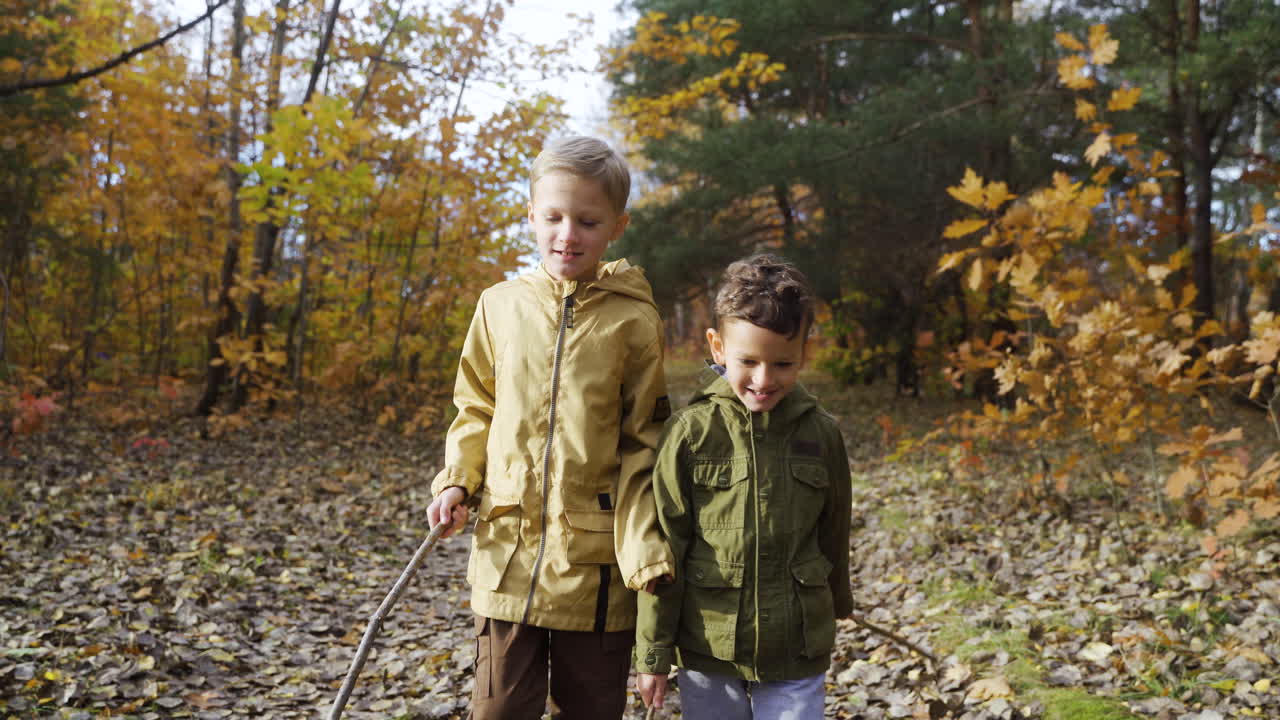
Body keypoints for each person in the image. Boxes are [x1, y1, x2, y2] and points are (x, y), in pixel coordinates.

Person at [425, 135, 674, 720]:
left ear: (617, 225)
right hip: (506, 556)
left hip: (595, 565)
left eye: (588, 221)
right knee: (497, 710)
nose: (569, 234)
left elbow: (646, 445)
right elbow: (476, 407)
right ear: (531, 214)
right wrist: (457, 481)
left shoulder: (633, 322)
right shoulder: (499, 305)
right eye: (555, 217)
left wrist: (644, 548)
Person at [634, 254, 853, 719]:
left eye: (782, 364)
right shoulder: (690, 433)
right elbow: (665, 550)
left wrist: (836, 605)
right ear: (717, 347)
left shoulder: (822, 435)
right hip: (709, 643)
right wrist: (653, 654)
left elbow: (835, 531)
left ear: (804, 354)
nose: (763, 379)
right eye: (748, 361)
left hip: (796, 643)